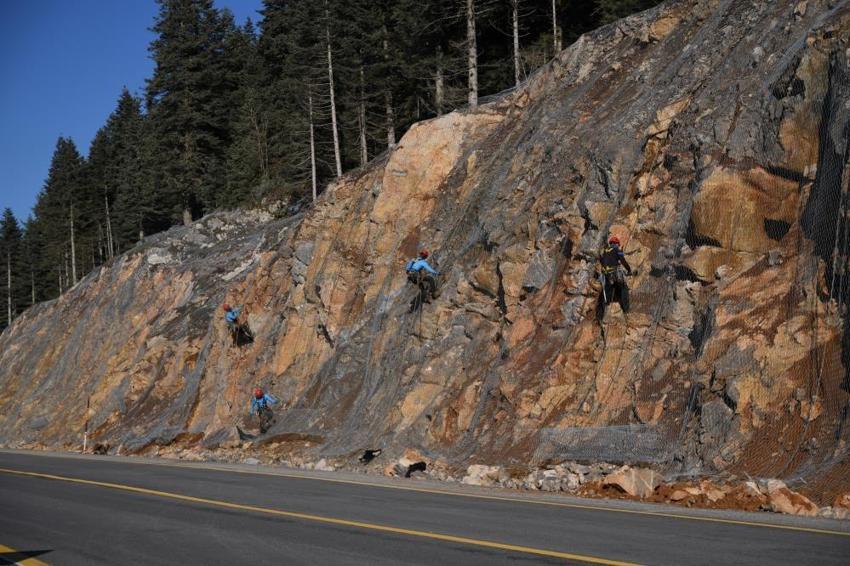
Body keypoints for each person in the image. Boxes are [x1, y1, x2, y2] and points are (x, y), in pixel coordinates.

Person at [599, 236, 632, 314]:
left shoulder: (605, 251)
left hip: (605, 274)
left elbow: (602, 260)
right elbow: (623, 261)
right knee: (624, 288)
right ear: (617, 244)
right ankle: (626, 310)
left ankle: (604, 307)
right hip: (614, 273)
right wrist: (629, 270)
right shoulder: (618, 250)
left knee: (607, 289)